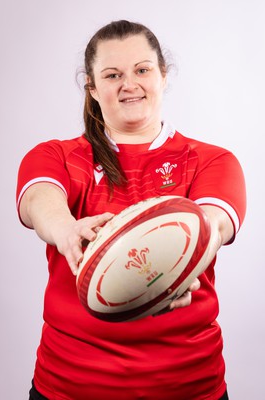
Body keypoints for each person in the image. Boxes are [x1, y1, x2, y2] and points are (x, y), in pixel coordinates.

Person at [16, 20, 246, 400]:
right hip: (69, 386)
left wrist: (185, 257)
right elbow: (39, 197)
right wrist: (66, 230)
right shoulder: (56, 155)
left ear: (163, 76)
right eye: (112, 74)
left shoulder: (211, 160)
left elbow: (214, 222)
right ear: (91, 87)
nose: (129, 84)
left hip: (187, 386)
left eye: (142, 69)